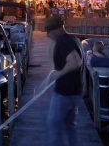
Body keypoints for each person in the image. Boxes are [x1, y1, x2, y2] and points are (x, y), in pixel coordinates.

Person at [45, 16, 83, 146]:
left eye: (48, 32)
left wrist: (58, 74)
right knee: (69, 126)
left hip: (64, 92)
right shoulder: (72, 39)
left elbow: (75, 61)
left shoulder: (63, 42)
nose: (47, 35)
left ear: (55, 30)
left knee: (53, 123)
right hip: (75, 90)